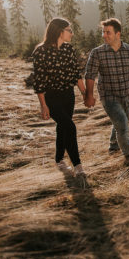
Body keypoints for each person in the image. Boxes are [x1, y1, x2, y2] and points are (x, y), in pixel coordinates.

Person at [84, 18, 129, 164]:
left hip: (126, 95)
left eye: (108, 32)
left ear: (118, 34)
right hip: (108, 96)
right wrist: (89, 95)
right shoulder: (97, 53)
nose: (104, 35)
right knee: (123, 124)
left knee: (119, 122)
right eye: (103, 32)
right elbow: (90, 75)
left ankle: (113, 147)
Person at [32, 17, 88, 177]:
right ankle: (78, 166)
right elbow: (39, 81)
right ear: (59, 31)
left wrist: (85, 94)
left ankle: (59, 160)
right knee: (70, 127)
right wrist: (43, 105)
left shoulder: (68, 49)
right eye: (69, 30)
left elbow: (76, 74)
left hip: (68, 95)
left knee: (63, 127)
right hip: (51, 97)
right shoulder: (40, 51)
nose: (72, 33)